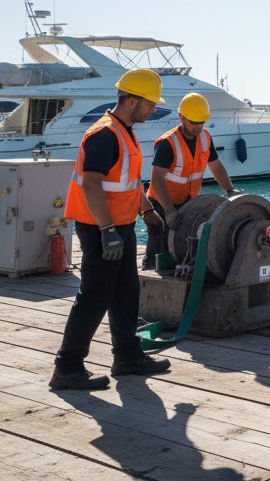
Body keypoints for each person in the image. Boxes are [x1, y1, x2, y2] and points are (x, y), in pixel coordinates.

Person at [50, 68, 172, 391]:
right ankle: (67, 367)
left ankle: (127, 356)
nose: (153, 110)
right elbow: (91, 185)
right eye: (149, 104)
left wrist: (146, 210)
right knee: (94, 296)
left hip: (121, 227)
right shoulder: (104, 134)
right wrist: (106, 230)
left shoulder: (125, 130)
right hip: (100, 230)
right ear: (132, 101)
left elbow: (128, 182)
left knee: (125, 293)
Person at [143, 92, 238, 269]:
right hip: (161, 204)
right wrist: (169, 210)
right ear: (181, 117)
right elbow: (156, 180)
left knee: (181, 248)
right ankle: (147, 280)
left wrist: (230, 191)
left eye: (202, 122)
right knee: (157, 250)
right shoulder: (167, 143)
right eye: (194, 122)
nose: (198, 127)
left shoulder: (205, 137)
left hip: (188, 203)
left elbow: (216, 166)